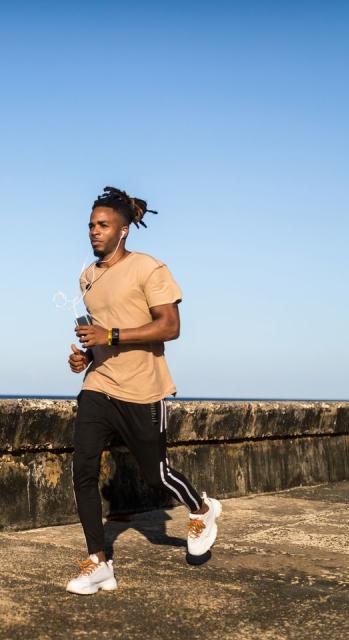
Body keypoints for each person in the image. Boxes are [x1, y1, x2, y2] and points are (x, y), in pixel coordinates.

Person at [65, 186, 221, 596]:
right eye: (91, 226)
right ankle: (98, 562)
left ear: (124, 231)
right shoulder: (88, 277)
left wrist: (110, 335)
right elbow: (98, 336)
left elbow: (170, 326)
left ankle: (202, 511)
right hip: (99, 385)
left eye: (104, 225)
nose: (95, 233)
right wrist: (87, 357)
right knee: (82, 469)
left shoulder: (149, 269)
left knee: (156, 474)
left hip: (143, 388)